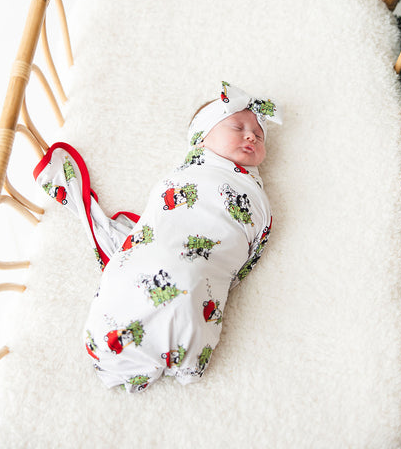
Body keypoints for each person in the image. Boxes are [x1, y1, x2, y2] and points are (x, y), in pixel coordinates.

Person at [33, 81, 283, 392]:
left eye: (259, 136)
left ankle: (186, 348)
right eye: (238, 126)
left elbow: (249, 251)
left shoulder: (255, 192)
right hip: (165, 244)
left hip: (207, 261)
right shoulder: (188, 174)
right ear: (202, 138)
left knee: (191, 278)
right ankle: (114, 333)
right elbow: (161, 218)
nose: (251, 135)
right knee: (145, 266)